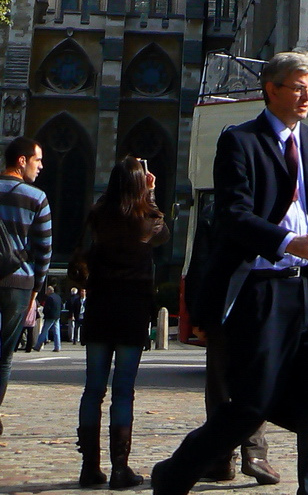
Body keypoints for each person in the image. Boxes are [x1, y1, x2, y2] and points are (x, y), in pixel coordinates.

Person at [151, 50, 308, 495]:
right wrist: (285, 242)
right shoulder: (240, 141)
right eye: (298, 86)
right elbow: (233, 217)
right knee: (251, 404)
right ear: (271, 88)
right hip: (263, 291)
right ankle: (175, 473)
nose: (306, 95)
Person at [75, 156, 170, 488]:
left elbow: (100, 209)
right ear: (140, 184)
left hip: (100, 309)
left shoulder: (99, 215)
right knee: (123, 392)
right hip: (132, 312)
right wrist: (151, 192)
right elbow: (163, 235)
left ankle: (89, 467)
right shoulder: (148, 220)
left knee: (92, 390)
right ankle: (119, 469)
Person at [182, 204, 278, 486]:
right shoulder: (269, 205)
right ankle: (254, 454)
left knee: (221, 386)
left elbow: (201, 263)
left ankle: (223, 458)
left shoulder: (216, 210)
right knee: (256, 381)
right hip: (257, 304)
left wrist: (198, 313)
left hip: (227, 306)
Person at [0, 137, 52, 436]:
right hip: (18, 282)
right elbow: (43, 250)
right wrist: (36, 289)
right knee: (5, 355)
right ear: (22, 161)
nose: (41, 166)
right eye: (38, 160)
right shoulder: (36, 198)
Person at [34, 280, 61, 351]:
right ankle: (57, 347)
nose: (46, 292)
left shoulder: (49, 298)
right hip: (57, 316)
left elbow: (47, 308)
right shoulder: (58, 297)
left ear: (49, 291)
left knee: (44, 331)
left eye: (47, 290)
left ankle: (38, 346)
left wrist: (44, 313)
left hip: (50, 317)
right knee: (56, 332)